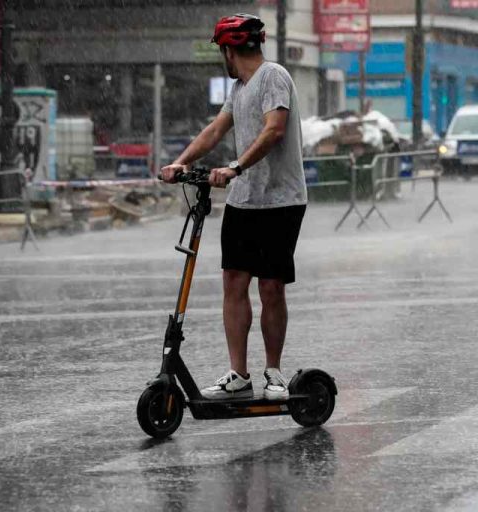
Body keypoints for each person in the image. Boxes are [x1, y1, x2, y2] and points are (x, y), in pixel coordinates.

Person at [160, 13, 307, 401]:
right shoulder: (240, 87)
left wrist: (236, 166)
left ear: (229, 49)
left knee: (271, 286)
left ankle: (274, 373)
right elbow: (215, 129)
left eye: (221, 51)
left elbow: (274, 129)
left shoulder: (272, 76)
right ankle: (238, 375)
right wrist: (182, 163)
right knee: (234, 282)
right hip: (245, 200)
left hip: (280, 199)